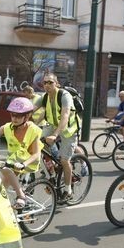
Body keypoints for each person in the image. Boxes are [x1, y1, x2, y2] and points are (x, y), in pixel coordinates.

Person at [0, 97, 42, 209]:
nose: (14, 118)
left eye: (18, 116)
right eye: (12, 115)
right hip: (13, 162)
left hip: (28, 163)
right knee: (0, 189)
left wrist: (24, 164)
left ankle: (21, 196)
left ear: (26, 116)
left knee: (6, 170)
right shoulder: (7, 127)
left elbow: (36, 155)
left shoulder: (33, 130)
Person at [40, 73, 78, 202]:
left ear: (57, 84)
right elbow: (34, 110)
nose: (47, 85)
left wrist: (55, 135)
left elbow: (65, 115)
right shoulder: (45, 97)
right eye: (45, 83)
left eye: (50, 82)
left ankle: (68, 190)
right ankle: (52, 171)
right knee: (37, 144)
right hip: (53, 125)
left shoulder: (64, 96)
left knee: (64, 160)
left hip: (68, 130)